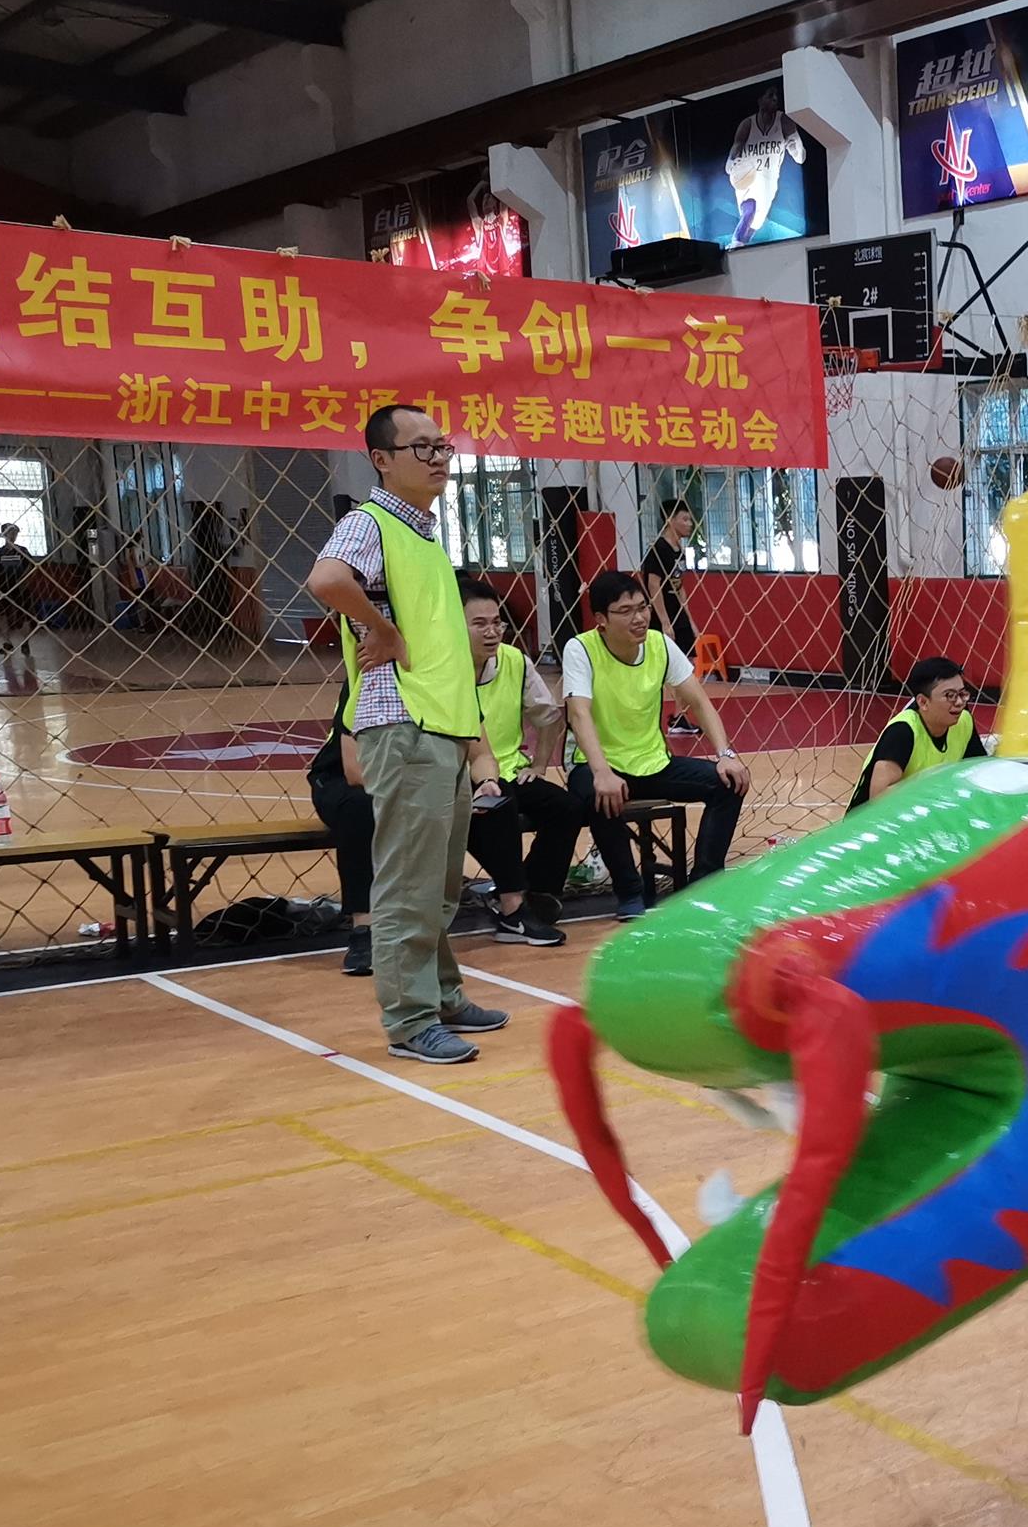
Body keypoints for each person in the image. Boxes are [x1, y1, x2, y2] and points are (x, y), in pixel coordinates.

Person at [306, 404, 509, 1065]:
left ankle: (443, 995)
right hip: (405, 724)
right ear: (382, 460)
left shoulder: (421, 534)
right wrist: (382, 629)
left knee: (440, 883)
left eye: (442, 446)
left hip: (442, 728)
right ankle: (409, 1019)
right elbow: (327, 579)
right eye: (421, 448)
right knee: (408, 885)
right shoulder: (372, 522)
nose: (439, 457)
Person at [564, 570, 751, 920]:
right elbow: (579, 714)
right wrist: (601, 771)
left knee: (728, 783)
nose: (638, 617)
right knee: (598, 796)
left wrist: (725, 754)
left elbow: (699, 702)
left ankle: (704, 884)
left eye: (642, 607)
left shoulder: (660, 645)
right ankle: (630, 892)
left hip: (652, 763)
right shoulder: (580, 649)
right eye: (625, 611)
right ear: (601, 619)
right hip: (597, 764)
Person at [461, 581, 574, 947]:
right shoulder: (437, 668)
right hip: (460, 777)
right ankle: (512, 910)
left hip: (508, 768)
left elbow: (549, 717)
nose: (492, 631)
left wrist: (539, 765)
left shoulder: (514, 662)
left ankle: (536, 896)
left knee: (567, 807)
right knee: (498, 809)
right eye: (480, 624)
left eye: (497, 622)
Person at [849, 657, 985, 810]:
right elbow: (878, 797)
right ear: (923, 702)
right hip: (875, 825)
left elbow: (980, 771)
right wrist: (933, 787)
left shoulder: (963, 721)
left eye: (962, 694)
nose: (960, 702)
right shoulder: (902, 731)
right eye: (950, 695)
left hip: (923, 814)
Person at [307, 681, 375, 977]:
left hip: (401, 776)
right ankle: (364, 928)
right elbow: (355, 771)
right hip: (340, 780)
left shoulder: (439, 676)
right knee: (360, 807)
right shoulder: (364, 682)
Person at [641, 499, 700, 733]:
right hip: (661, 613)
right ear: (670, 520)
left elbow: (679, 586)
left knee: (689, 663)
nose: (689, 523)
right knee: (659, 668)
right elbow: (653, 586)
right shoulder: (658, 550)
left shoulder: (679, 550)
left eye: (689, 518)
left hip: (677, 611)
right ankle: (649, 717)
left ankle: (679, 717)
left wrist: (690, 620)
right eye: (684, 519)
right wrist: (664, 622)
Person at [725, 86, 807, 246]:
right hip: (746, 174)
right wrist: (731, 164)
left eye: (776, 96)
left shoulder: (784, 121)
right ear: (760, 100)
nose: (775, 99)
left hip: (768, 180)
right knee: (750, 208)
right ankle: (735, 242)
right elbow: (735, 149)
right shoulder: (747, 124)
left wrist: (793, 142)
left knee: (755, 223)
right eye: (770, 95)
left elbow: (800, 158)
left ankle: (738, 246)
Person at [0, 524, 34, 661]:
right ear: (4, 534)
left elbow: (31, 566)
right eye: (10, 533)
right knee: (2, 615)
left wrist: (24, 581)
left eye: (15, 533)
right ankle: (7, 642)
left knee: (25, 616)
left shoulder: (23, 550)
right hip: (4, 588)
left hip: (20, 588)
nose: (13, 535)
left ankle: (25, 642)